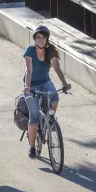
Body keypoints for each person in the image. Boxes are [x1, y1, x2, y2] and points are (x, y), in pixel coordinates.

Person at [23, 26, 71, 159]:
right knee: (34, 116)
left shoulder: (51, 51)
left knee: (55, 98)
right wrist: (27, 86)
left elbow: (57, 68)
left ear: (47, 39)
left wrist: (64, 83)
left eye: (43, 37)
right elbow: (29, 70)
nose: (41, 40)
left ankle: (50, 120)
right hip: (31, 85)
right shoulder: (30, 51)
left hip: (45, 82)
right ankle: (32, 147)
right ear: (34, 39)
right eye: (38, 37)